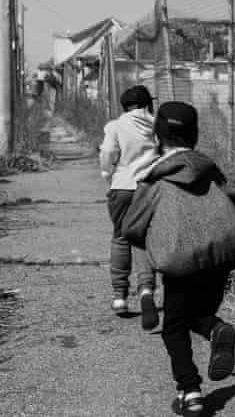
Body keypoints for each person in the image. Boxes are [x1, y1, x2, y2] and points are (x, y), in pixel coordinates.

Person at [122, 101, 235, 416]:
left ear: (158, 137)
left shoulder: (155, 179)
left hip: (180, 260)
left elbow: (131, 226)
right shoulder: (209, 169)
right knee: (198, 315)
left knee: (174, 327)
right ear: (195, 135)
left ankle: (190, 391)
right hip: (219, 257)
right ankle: (216, 330)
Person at [99, 84, 160, 329]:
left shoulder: (115, 126)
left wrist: (107, 173)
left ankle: (119, 297)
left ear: (125, 107)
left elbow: (108, 154)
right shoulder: (157, 125)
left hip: (122, 188)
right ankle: (146, 290)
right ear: (148, 105)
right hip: (150, 189)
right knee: (144, 240)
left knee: (121, 238)